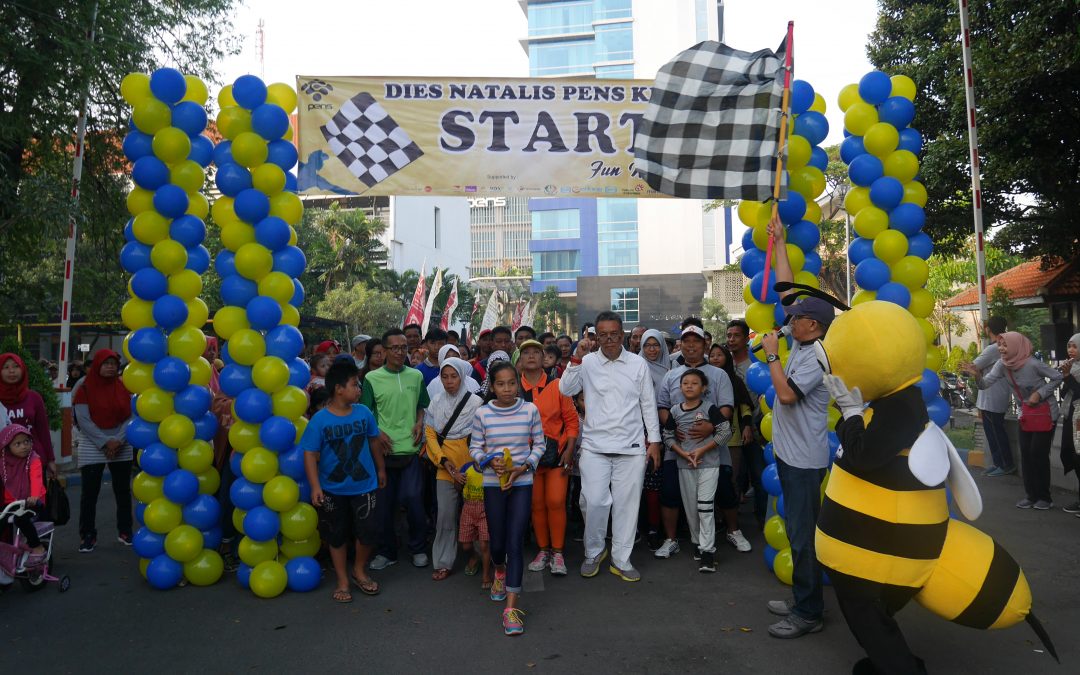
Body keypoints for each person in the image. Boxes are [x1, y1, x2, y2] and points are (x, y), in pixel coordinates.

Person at [762, 215, 833, 639]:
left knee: (804, 537)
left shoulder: (816, 356)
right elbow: (788, 291)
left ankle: (808, 614)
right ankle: (805, 600)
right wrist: (781, 243)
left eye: (798, 317)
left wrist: (772, 356)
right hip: (793, 457)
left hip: (805, 461)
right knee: (797, 530)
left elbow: (786, 396)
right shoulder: (804, 339)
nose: (790, 319)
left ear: (814, 326)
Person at [559, 311, 661, 582]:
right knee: (594, 501)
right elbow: (566, 389)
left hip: (631, 447)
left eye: (614, 334)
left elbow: (648, 404)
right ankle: (594, 551)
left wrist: (654, 442)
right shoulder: (588, 362)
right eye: (601, 335)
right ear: (594, 337)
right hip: (594, 446)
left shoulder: (637, 364)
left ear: (623, 334)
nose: (609, 339)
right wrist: (576, 357)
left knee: (627, 506)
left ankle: (621, 558)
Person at [469, 360, 545, 636]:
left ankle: (511, 609)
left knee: (514, 542)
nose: (507, 389)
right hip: (493, 485)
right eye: (500, 384)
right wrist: (489, 462)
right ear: (492, 386)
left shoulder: (530, 410)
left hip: (522, 482)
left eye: (512, 383)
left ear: (519, 382)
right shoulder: (483, 414)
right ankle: (498, 571)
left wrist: (524, 467)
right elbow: (475, 448)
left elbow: (540, 444)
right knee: (497, 542)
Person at [655, 320, 740, 560]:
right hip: (678, 449)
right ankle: (672, 540)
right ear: (680, 345)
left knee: (724, 491)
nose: (691, 346)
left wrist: (710, 428)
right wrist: (673, 427)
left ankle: (734, 531)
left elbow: (726, 407)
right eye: (687, 342)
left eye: (696, 342)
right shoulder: (671, 375)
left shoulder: (719, 374)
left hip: (712, 448)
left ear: (705, 344)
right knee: (671, 494)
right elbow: (662, 406)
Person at [302, 360, 386, 603]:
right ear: (338, 389)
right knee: (336, 535)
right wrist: (316, 486)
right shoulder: (319, 420)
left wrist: (381, 469)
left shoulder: (364, 412)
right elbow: (309, 453)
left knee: (367, 532)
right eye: (354, 385)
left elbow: (373, 442)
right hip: (332, 489)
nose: (358, 389)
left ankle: (359, 570)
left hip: (365, 485)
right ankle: (342, 580)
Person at [963, 332, 1063, 509]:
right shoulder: (1002, 365)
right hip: (1025, 414)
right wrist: (977, 375)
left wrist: (1040, 393)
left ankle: (1044, 498)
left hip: (1045, 413)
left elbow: (1057, 377)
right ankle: (1031, 495)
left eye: (1005, 345)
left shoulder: (1033, 364)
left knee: (1037, 453)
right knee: (1025, 453)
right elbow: (985, 384)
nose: (1001, 348)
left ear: (1016, 345)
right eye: (999, 345)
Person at [361, 328, 432, 570]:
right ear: (383, 351)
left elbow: (423, 405)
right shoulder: (371, 378)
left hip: (410, 450)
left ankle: (418, 548)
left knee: (413, 500)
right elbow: (366, 411)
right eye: (395, 348)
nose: (400, 352)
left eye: (404, 347)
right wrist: (377, 433)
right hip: (382, 452)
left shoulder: (416, 376)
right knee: (384, 506)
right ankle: (386, 551)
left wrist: (420, 422)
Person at [518, 340, 579, 577]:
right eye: (526, 353)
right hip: (526, 457)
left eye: (536, 352)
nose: (531, 356)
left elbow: (572, 421)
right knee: (536, 505)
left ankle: (558, 552)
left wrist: (569, 450)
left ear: (544, 357)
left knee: (555, 501)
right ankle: (543, 550)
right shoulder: (513, 389)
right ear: (520, 359)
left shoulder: (558, 386)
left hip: (556, 454)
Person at [663, 369, 733, 573]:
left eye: (695, 383)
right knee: (691, 508)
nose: (689, 386)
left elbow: (725, 431)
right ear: (680, 387)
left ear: (704, 388)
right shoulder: (675, 411)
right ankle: (697, 544)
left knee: (704, 506)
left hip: (709, 464)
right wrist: (683, 454)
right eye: (685, 383)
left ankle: (708, 553)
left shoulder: (710, 408)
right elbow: (667, 436)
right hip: (685, 466)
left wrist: (702, 449)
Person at [424, 357, 483, 581]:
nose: (449, 381)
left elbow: (481, 434)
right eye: (445, 376)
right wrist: (443, 461)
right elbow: (430, 434)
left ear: (462, 376)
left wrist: (474, 466)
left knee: (477, 516)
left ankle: (479, 556)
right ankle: (443, 562)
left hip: (472, 468)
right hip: (444, 467)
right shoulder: (436, 402)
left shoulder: (476, 403)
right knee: (445, 518)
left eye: (454, 376)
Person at [72, 350, 133, 552]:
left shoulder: (125, 385)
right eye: (105, 363)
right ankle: (87, 535)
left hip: (121, 442)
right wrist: (105, 442)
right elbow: (83, 419)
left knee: (123, 491)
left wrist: (118, 440)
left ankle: (125, 531)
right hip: (93, 443)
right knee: (89, 493)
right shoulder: (84, 387)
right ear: (97, 365)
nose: (110, 367)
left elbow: (132, 416)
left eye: (113, 364)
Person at [710, 344, 759, 527]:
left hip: (732, 437)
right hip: (708, 438)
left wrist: (747, 427)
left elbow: (745, 407)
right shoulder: (702, 378)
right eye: (712, 355)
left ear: (727, 358)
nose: (715, 358)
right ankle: (715, 517)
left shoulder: (735, 380)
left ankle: (731, 516)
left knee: (732, 477)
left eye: (719, 355)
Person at [727, 319, 768, 527]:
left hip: (755, 430)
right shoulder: (723, 364)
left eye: (736, 335)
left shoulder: (756, 366)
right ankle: (732, 524)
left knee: (760, 475)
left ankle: (762, 518)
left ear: (746, 339)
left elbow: (762, 399)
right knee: (732, 478)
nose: (731, 339)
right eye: (729, 335)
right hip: (730, 433)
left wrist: (756, 426)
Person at [967, 316, 1016, 476]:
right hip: (995, 393)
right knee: (993, 432)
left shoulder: (993, 348)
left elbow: (973, 367)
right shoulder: (1002, 346)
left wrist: (971, 369)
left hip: (992, 395)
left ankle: (1006, 464)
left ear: (989, 329)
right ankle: (998, 462)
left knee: (996, 432)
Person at [0, 353, 56, 480]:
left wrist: (51, 459)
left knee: (35, 499)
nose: (12, 371)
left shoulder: (33, 397)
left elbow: (43, 431)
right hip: (4, 464)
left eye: (16, 366)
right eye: (6, 367)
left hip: (34, 461)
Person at [0, 424, 48, 567]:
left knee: (21, 519)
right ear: (7, 446)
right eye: (18, 444)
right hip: (11, 503)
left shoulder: (33, 459)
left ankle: (37, 547)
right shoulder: (3, 461)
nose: (24, 446)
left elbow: (36, 478)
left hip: (32, 502)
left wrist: (34, 496)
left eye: (27, 442)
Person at [640, 328, 670, 549]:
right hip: (636, 430)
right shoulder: (635, 367)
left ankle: (655, 527)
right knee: (635, 483)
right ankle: (640, 526)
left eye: (655, 345)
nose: (651, 349)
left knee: (656, 481)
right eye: (647, 345)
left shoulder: (671, 369)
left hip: (663, 430)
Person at [458, 459, 492, 588]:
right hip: (468, 508)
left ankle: (486, 575)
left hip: (485, 509)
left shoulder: (490, 470)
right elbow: (458, 488)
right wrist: (458, 479)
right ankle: (475, 557)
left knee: (484, 544)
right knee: (465, 545)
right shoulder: (466, 467)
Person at [1057, 333, 1080, 515]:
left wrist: (1068, 376)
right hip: (1070, 415)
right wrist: (1065, 375)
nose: (1071, 350)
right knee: (1072, 454)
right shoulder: (1072, 367)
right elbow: (1066, 394)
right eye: (1069, 346)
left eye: (1075, 346)